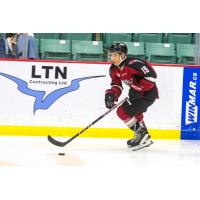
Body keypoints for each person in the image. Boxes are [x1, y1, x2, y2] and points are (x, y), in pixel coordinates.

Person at [105, 42, 159, 151]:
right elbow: (117, 85)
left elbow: (152, 77)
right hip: (137, 94)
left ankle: (141, 135)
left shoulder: (134, 63)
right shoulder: (113, 69)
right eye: (111, 55)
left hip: (148, 93)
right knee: (135, 112)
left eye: (115, 55)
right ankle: (145, 136)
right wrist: (111, 94)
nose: (112, 57)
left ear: (123, 55)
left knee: (121, 111)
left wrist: (137, 88)